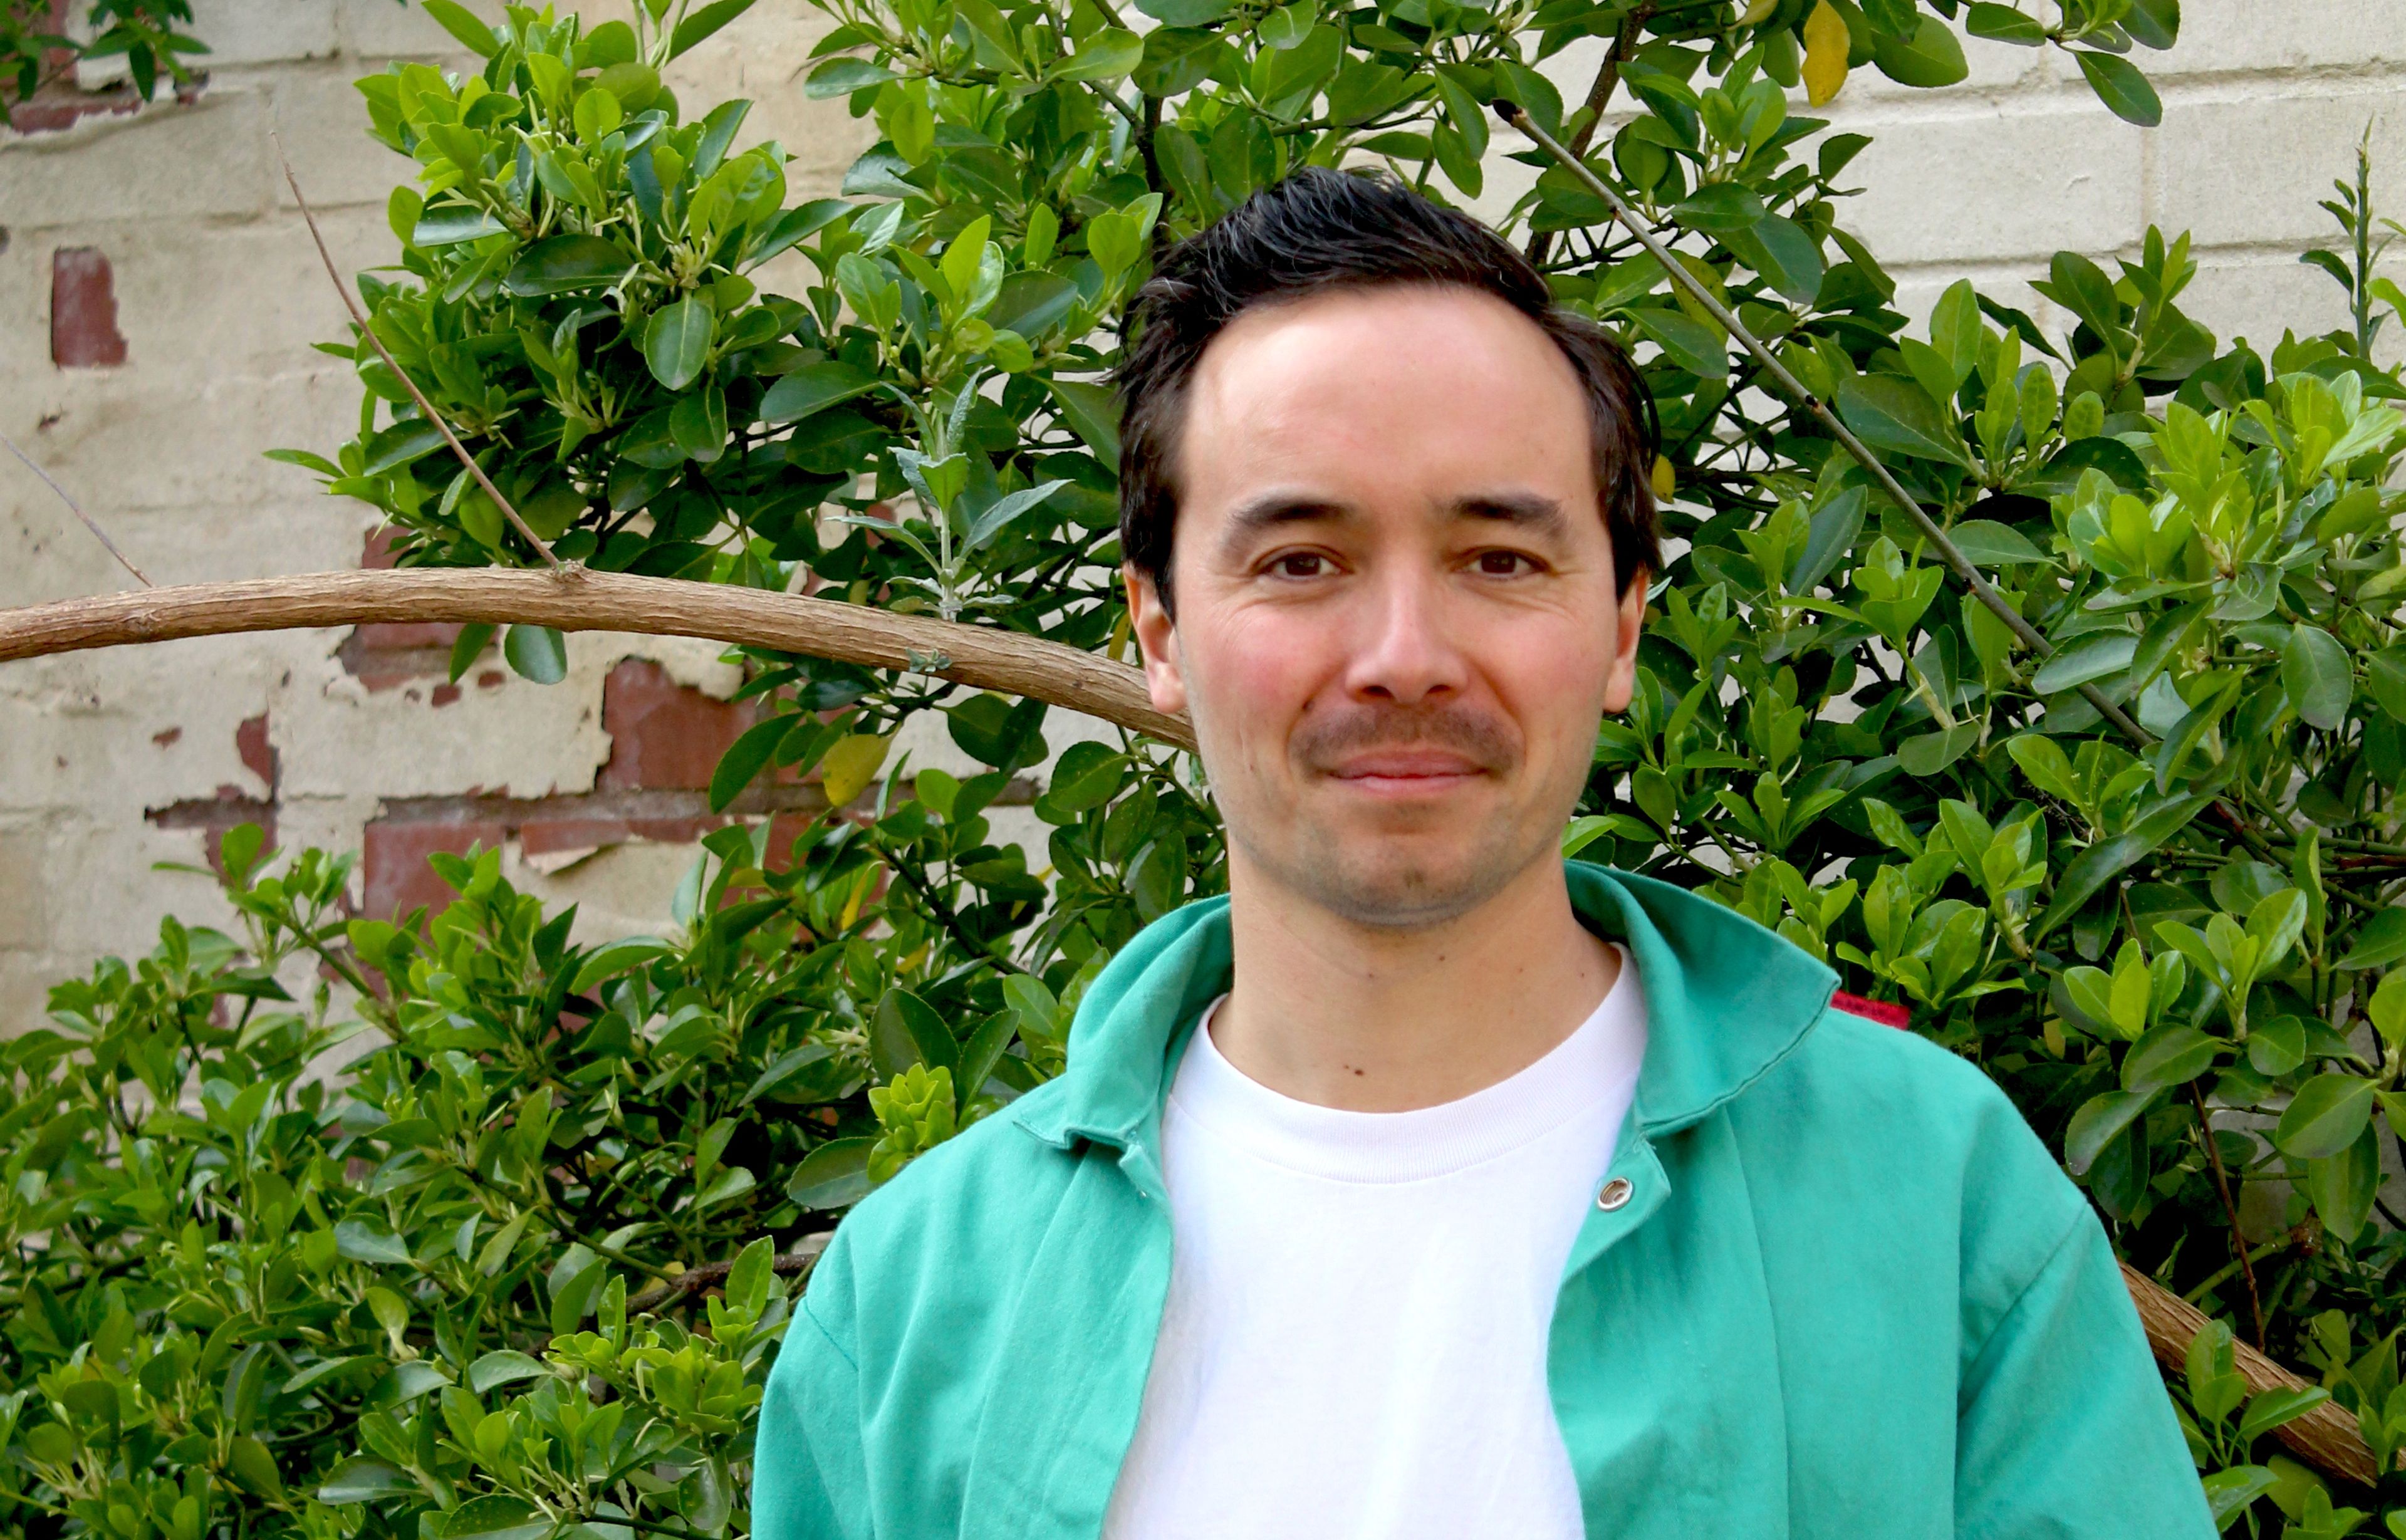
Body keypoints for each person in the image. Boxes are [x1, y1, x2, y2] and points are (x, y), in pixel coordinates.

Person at [751, 169, 2213, 1538]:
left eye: (1500, 558)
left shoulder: (1932, 1195)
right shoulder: (918, 1298)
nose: (1404, 657)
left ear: (1625, 623)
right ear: (1159, 633)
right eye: (1301, 559)